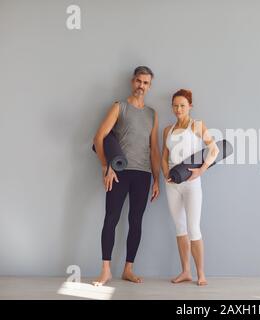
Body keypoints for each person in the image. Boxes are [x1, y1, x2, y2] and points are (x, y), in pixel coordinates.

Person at [92, 66, 161, 286]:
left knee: (136, 221)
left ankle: (128, 269)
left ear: (150, 86)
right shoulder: (119, 107)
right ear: (133, 82)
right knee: (111, 218)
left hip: (143, 174)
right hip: (119, 173)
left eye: (146, 83)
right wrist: (105, 166)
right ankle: (105, 270)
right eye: (139, 81)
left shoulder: (152, 114)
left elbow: (154, 149)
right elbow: (99, 137)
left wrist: (157, 179)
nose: (142, 86)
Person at [162, 89, 219, 286]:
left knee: (194, 228)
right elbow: (164, 157)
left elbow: (214, 149)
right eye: (175, 105)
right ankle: (185, 271)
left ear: (190, 107)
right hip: (172, 184)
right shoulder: (167, 130)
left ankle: (201, 274)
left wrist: (201, 170)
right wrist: (165, 174)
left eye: (183, 106)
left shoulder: (197, 126)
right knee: (180, 227)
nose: (178, 109)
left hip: (192, 183)